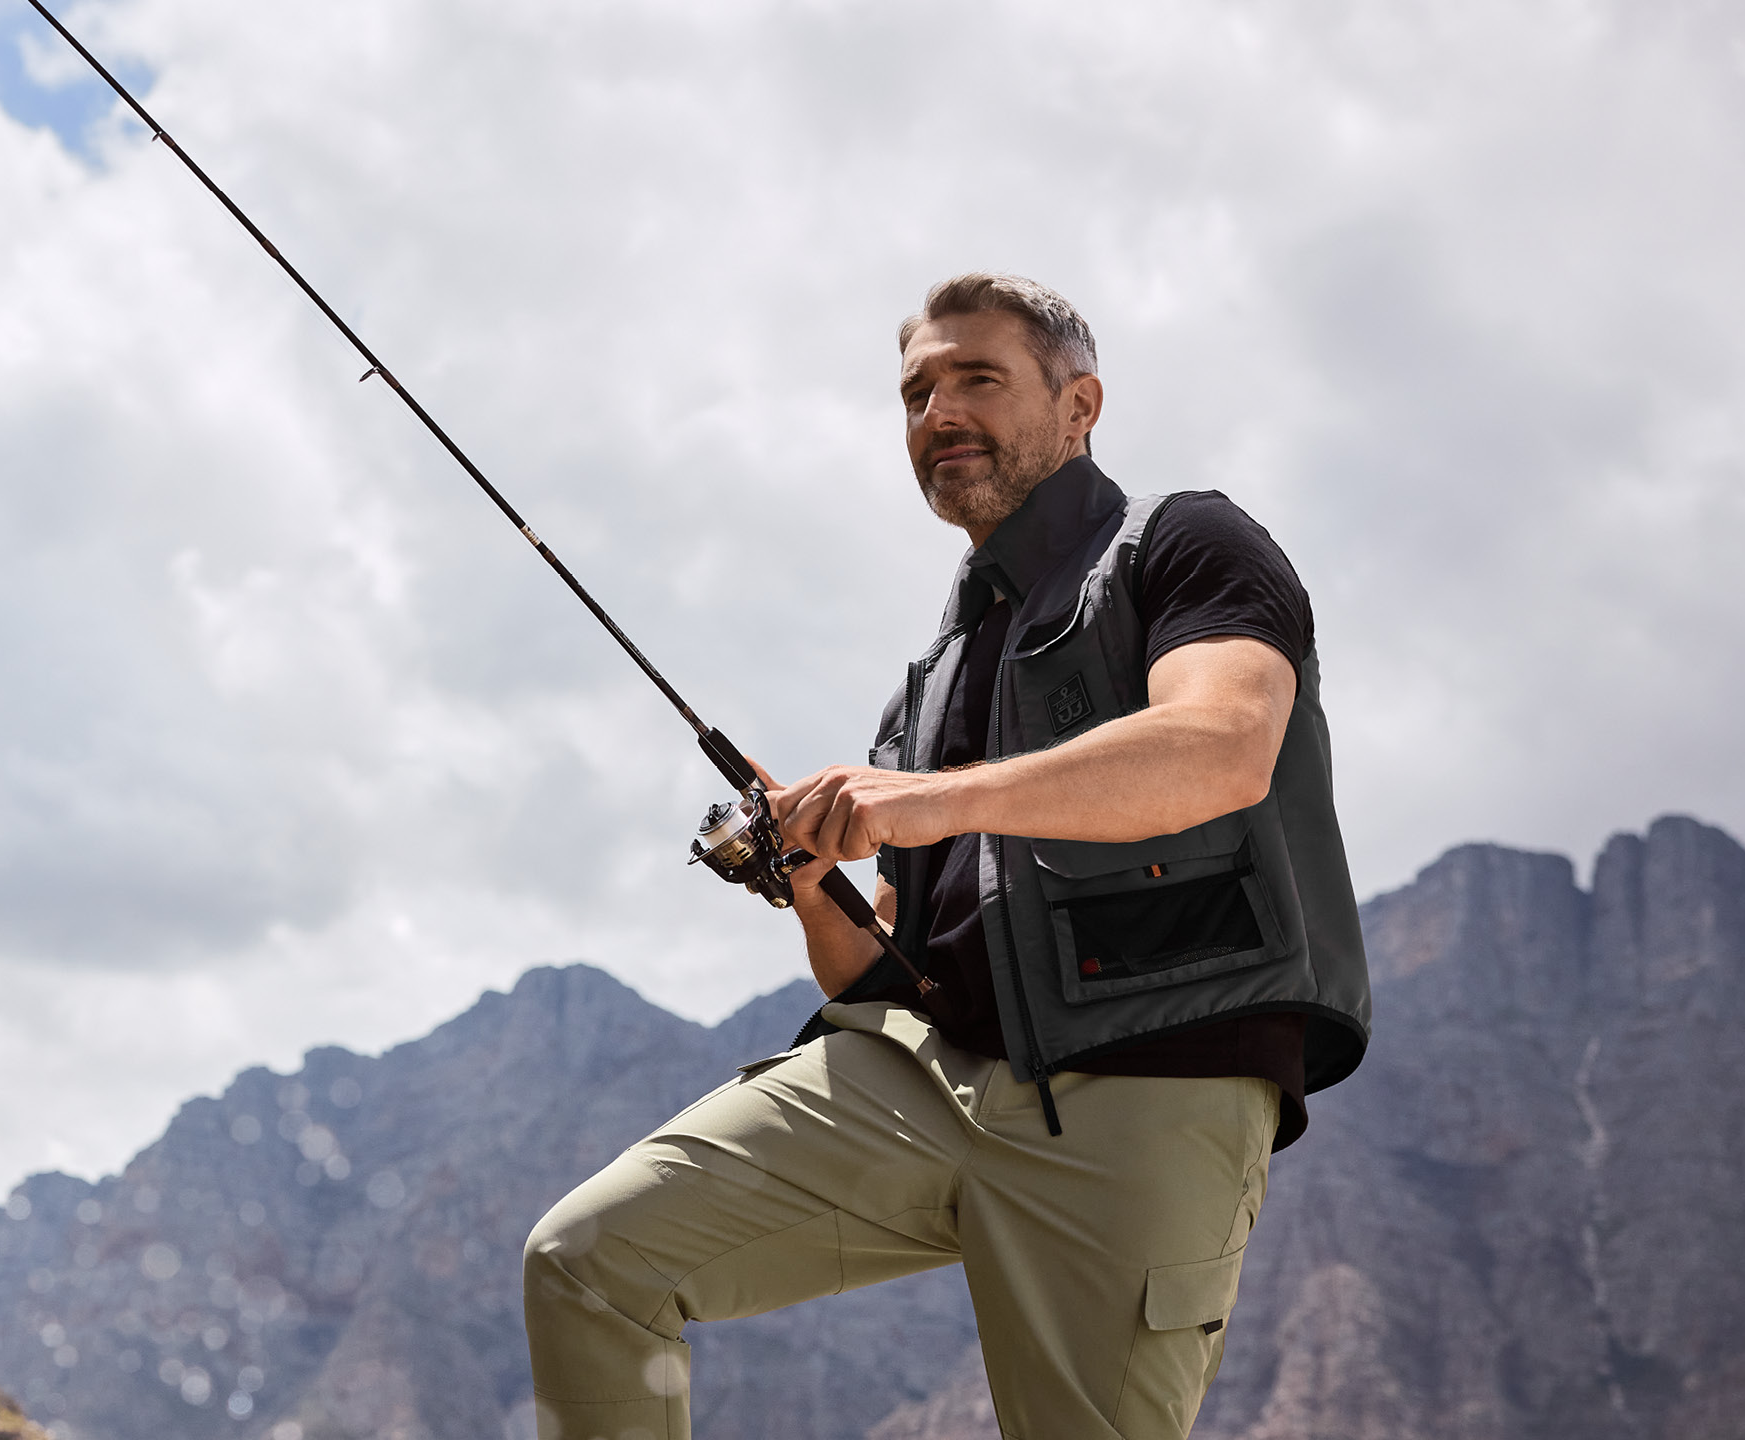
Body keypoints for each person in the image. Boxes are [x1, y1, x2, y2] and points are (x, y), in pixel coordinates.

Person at [522, 273, 1371, 1440]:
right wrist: (819, 893)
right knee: (586, 1260)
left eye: (978, 378)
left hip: (1152, 1083)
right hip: (920, 1076)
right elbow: (880, 972)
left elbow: (1220, 747)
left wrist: (923, 800)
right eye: (917, 392)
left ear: (1081, 406)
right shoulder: (927, 684)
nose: (940, 412)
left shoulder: (1185, 542)